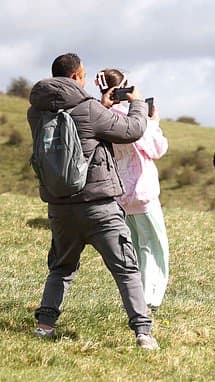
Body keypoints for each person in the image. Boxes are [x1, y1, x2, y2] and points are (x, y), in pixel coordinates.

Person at [27, 53, 159, 350]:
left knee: (61, 268)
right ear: (76, 77)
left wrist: (102, 106)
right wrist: (136, 102)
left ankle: (45, 325)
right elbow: (132, 130)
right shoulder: (88, 108)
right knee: (126, 268)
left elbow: (77, 129)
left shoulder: (35, 112)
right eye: (82, 75)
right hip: (99, 206)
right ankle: (143, 332)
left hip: (59, 207)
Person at [96, 68, 170, 313]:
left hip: (118, 191)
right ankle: (150, 299)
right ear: (126, 87)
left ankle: (134, 296)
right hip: (143, 191)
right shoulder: (134, 118)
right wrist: (153, 123)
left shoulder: (101, 117)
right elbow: (157, 149)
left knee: (134, 247)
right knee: (154, 246)